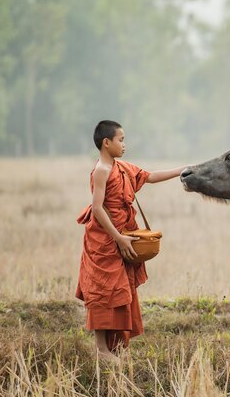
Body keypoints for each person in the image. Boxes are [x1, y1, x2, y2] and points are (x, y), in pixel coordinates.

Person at [75, 120, 183, 362]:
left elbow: (150, 176)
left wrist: (181, 170)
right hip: (105, 239)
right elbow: (97, 208)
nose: (124, 145)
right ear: (107, 142)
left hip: (125, 236)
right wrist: (119, 238)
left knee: (121, 290)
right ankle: (101, 349)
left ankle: (115, 348)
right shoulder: (101, 170)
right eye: (120, 140)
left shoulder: (121, 166)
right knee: (104, 290)